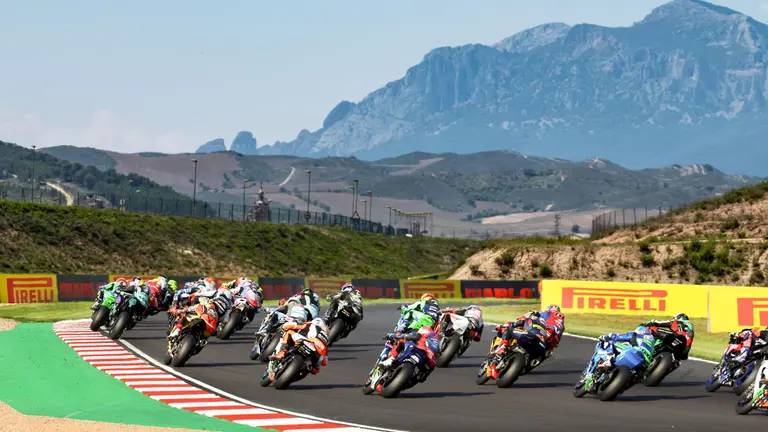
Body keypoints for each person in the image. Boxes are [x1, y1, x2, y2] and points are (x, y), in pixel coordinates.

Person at [370, 326, 441, 387]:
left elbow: (403, 336)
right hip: (427, 357)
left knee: (401, 340)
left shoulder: (422, 335)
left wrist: (391, 335)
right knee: (423, 374)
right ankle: (392, 361)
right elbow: (430, 367)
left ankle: (391, 359)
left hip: (418, 350)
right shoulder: (436, 342)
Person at [590, 325, 656, 374]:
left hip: (634, 352)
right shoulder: (652, 341)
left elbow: (616, 337)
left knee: (611, 342)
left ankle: (608, 361)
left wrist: (605, 337)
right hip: (645, 362)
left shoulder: (636, 335)